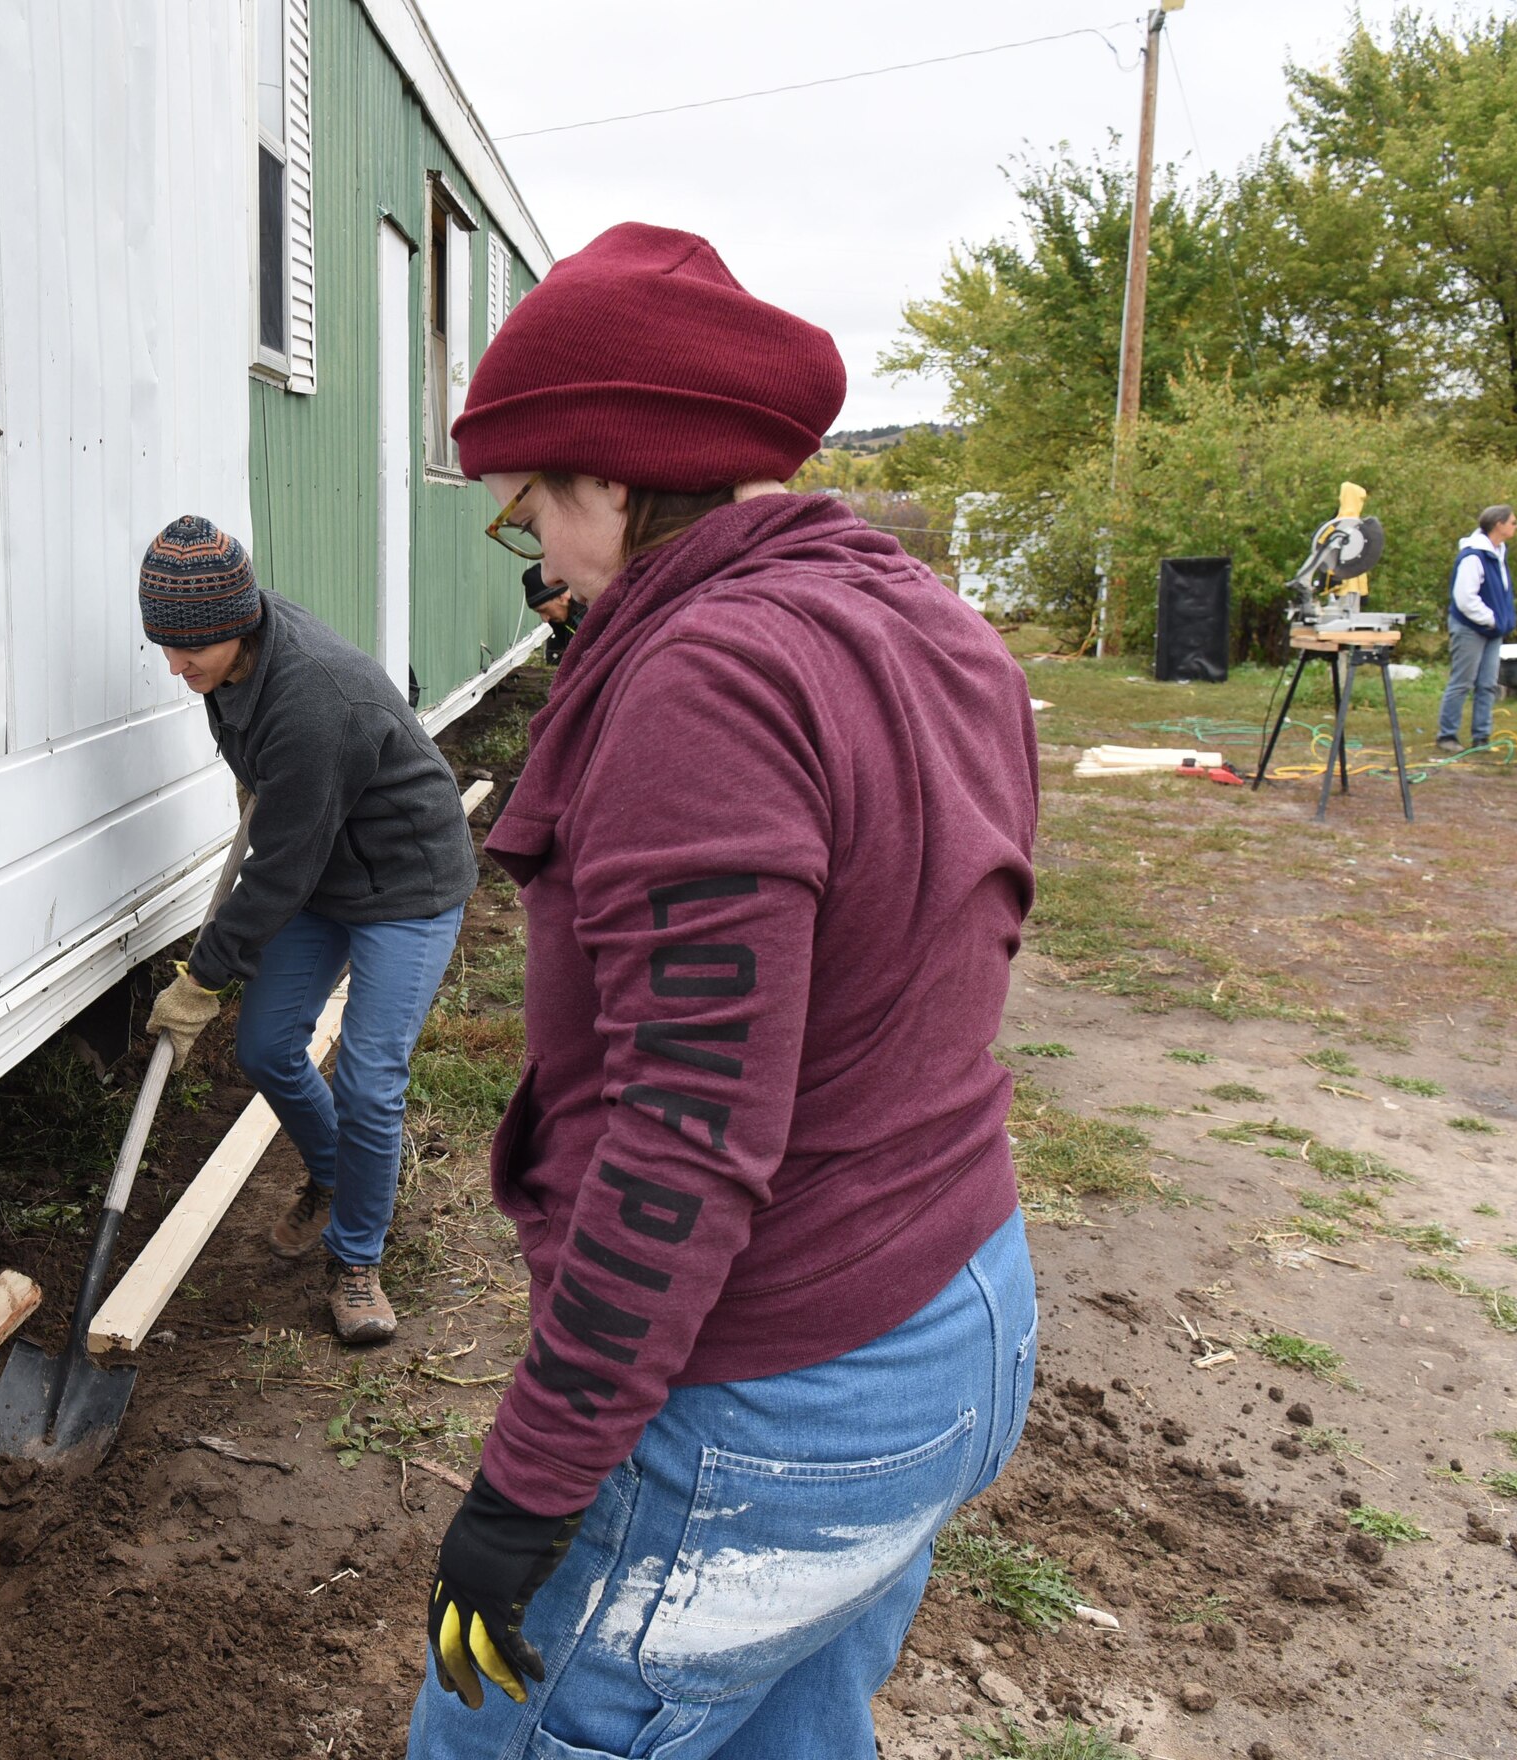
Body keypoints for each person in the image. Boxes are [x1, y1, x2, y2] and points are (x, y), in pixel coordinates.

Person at [407, 224, 1040, 1760]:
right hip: (964, 1311)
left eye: (536, 508)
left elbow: (686, 1136)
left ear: (619, 481)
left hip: (783, 1395)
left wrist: (532, 1485)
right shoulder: (919, 616)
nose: (537, 554)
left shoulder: (711, 680)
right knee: (787, 1725)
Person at [137, 517, 476, 1343]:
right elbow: (290, 833)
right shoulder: (231, 660)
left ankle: (356, 1259)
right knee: (265, 1047)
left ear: (241, 622)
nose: (177, 670)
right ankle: (334, 1175)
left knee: (368, 1080)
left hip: (407, 880)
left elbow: (279, 871)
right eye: (165, 649)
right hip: (325, 869)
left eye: (190, 653)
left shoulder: (316, 700)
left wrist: (202, 978)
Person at [1436, 504, 1517, 752]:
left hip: (1492, 630)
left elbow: (1501, 593)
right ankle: (1447, 736)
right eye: (1512, 522)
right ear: (1499, 525)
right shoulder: (1474, 556)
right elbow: (1465, 598)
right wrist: (1492, 619)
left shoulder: (1499, 552)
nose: (1516, 526)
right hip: (1470, 628)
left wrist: (1502, 621)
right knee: (1462, 682)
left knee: (1487, 684)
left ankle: (1481, 737)